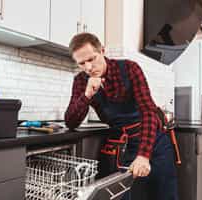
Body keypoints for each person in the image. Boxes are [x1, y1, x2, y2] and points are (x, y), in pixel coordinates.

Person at [64, 32, 178, 200]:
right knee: (124, 196)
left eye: (91, 59)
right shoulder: (81, 81)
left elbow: (148, 112)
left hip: (153, 139)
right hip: (123, 145)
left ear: (102, 51)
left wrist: (143, 155)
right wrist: (87, 94)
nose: (88, 67)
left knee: (165, 194)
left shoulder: (130, 68)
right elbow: (71, 122)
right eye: (82, 63)